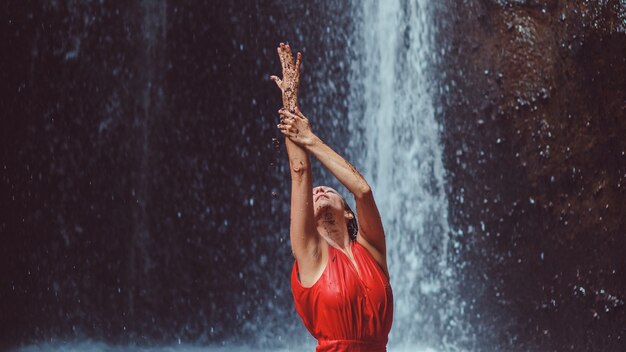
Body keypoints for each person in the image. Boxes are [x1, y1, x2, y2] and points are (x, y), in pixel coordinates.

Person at [270, 43, 393, 352]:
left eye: (328, 190)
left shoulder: (373, 250)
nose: (319, 190)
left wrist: (312, 139)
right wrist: (290, 101)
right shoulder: (310, 253)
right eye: (313, 194)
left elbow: (362, 191)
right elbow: (300, 172)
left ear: (347, 212)